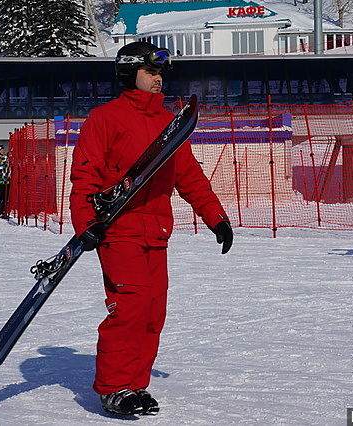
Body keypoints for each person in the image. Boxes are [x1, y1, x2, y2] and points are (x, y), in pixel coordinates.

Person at [69, 41, 233, 416]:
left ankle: (134, 385)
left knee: (152, 312)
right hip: (119, 230)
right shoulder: (105, 119)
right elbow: (85, 177)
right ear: (129, 74)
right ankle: (113, 387)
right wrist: (86, 224)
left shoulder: (168, 125)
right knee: (130, 308)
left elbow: (188, 175)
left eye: (160, 74)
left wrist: (215, 217)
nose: (158, 79)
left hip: (156, 233)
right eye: (150, 72)